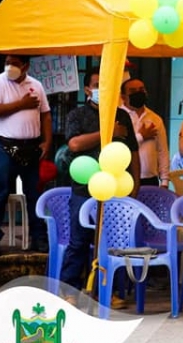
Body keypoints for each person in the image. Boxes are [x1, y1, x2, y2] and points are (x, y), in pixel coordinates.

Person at [60, 72, 140, 296]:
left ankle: (115, 292)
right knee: (79, 241)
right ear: (87, 90)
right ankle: (69, 291)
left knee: (116, 243)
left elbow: (132, 152)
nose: (101, 89)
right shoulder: (77, 115)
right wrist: (107, 133)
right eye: (97, 85)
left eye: (106, 85)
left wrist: (136, 185)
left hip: (117, 187)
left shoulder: (121, 116)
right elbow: (75, 144)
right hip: (83, 188)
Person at [0, 54, 52, 255]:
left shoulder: (36, 85)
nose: (9, 66)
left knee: (34, 194)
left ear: (26, 66)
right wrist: (22, 104)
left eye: (15, 63)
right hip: (2, 145)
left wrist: (47, 141)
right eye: (7, 62)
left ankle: (39, 238)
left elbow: (45, 114)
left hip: (30, 146)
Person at [120, 78, 169, 188]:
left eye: (141, 90)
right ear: (123, 97)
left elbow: (162, 151)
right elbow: (117, 149)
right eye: (133, 91)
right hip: (124, 178)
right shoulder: (117, 117)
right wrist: (141, 136)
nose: (138, 94)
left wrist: (165, 180)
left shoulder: (155, 119)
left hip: (150, 179)